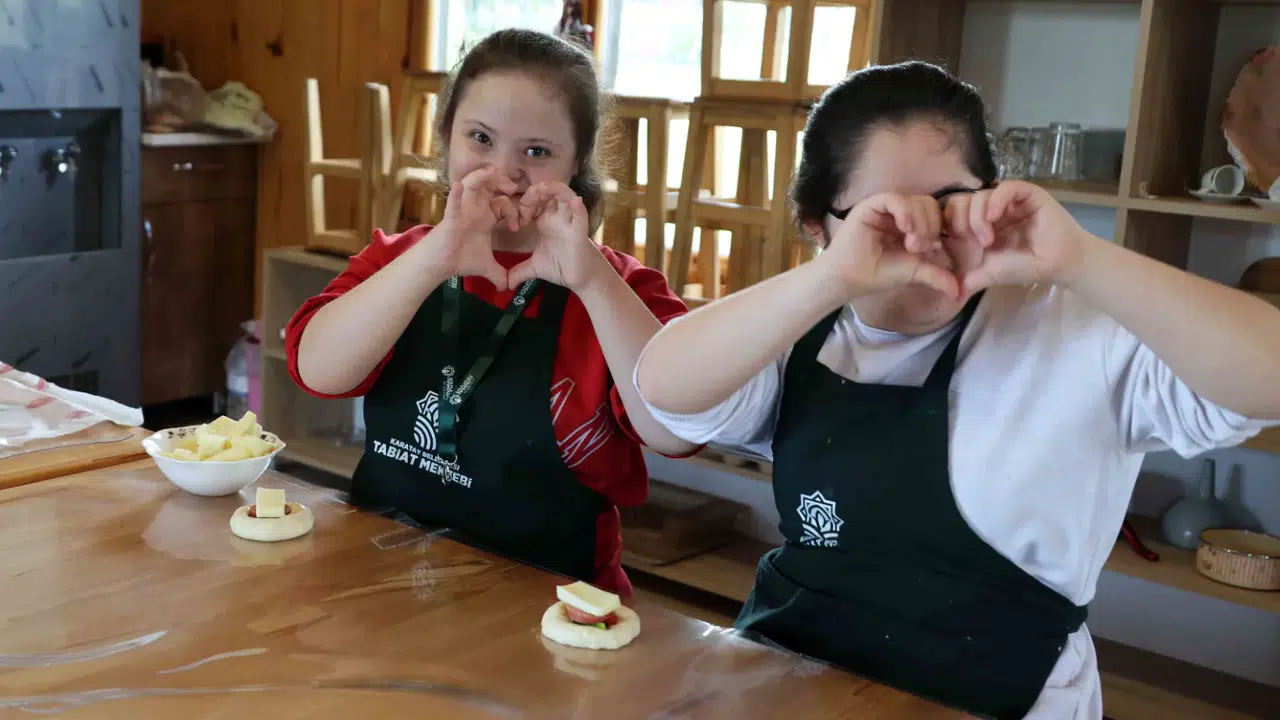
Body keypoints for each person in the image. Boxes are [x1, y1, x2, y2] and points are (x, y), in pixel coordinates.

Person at [634, 61, 1280, 719]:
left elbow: (1270, 378)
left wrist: (1082, 259)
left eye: (949, 208)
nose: (922, 242)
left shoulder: (1074, 332)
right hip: (789, 683)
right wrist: (829, 280)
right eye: (882, 219)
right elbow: (662, 389)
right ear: (816, 224)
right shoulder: (798, 325)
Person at [286, 28, 698, 599]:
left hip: (553, 605)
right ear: (445, 137)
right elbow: (317, 371)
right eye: (480, 138)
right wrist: (435, 258)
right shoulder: (399, 260)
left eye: (537, 152)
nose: (504, 173)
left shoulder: (622, 288)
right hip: (380, 585)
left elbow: (677, 430)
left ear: (577, 161)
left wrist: (591, 281)